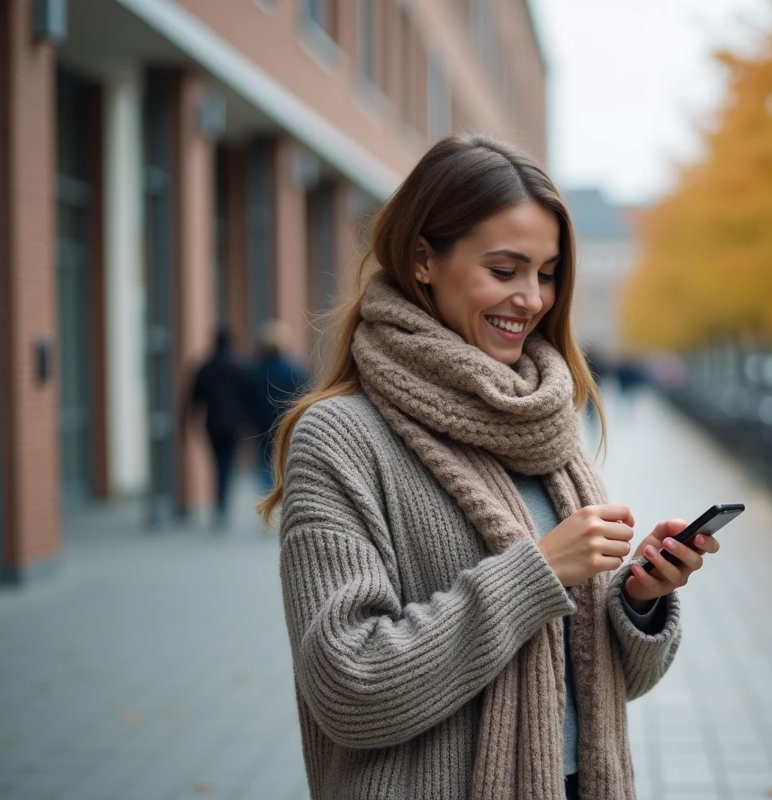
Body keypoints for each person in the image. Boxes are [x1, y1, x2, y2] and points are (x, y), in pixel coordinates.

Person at [257, 134, 721, 800]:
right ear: (424, 260)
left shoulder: (543, 422)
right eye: (505, 271)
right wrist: (538, 572)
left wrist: (638, 601)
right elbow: (348, 685)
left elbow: (596, 685)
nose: (532, 299)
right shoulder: (341, 438)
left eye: (548, 272)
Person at [183, 328, 256, 528]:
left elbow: (193, 400)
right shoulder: (240, 367)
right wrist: (249, 423)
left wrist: (187, 424)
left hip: (212, 424)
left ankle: (220, 505)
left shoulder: (205, 368)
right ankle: (222, 505)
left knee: (218, 463)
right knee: (228, 464)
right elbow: (249, 398)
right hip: (233, 425)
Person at [252, 320, 310, 493]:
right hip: (288, 421)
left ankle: (268, 498)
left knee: (264, 461)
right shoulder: (295, 369)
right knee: (286, 458)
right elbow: (306, 395)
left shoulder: (255, 370)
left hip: (261, 423)